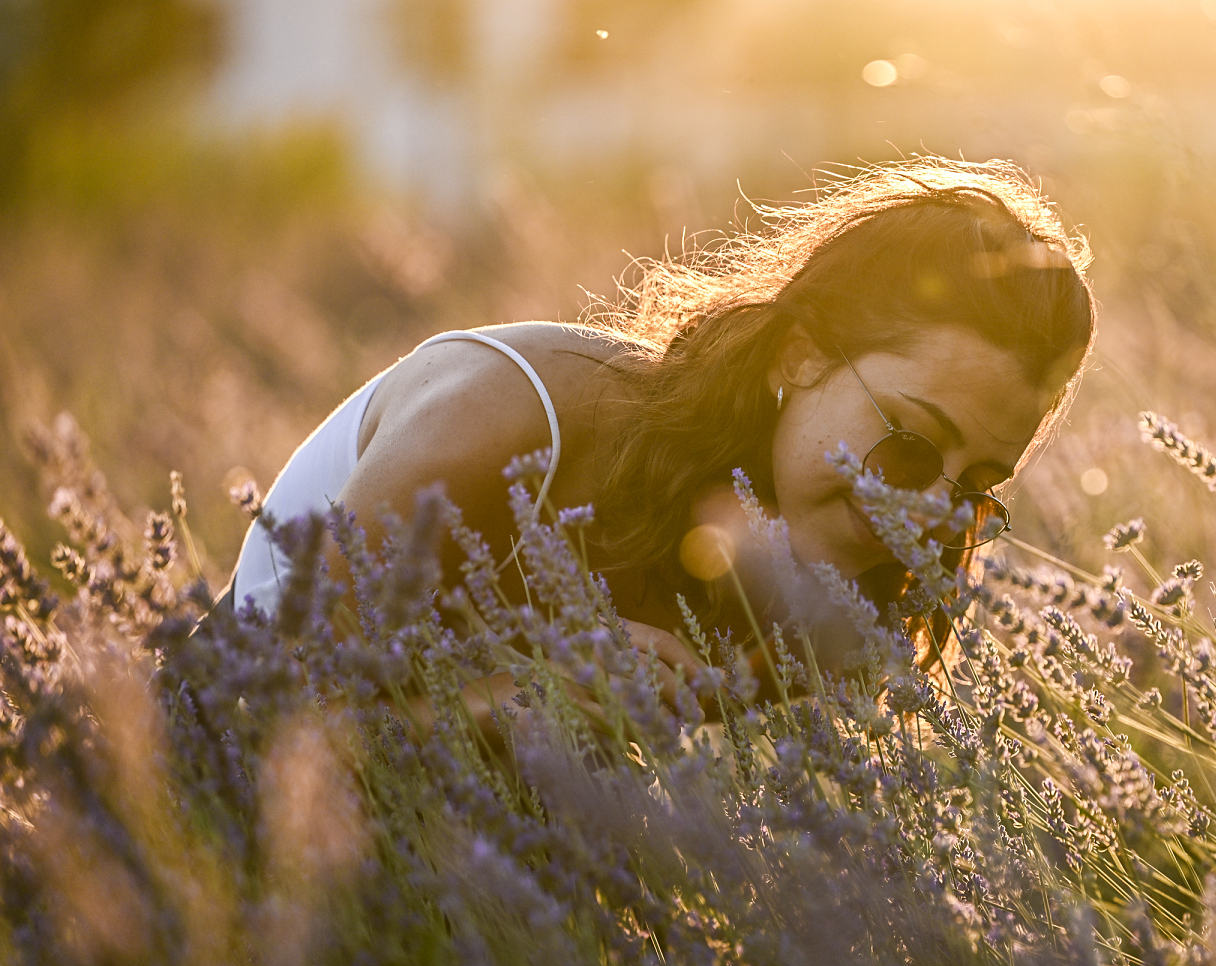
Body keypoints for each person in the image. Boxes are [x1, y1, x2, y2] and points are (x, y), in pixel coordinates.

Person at [226, 155, 1096, 696]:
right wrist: (525, 698)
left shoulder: (829, 601)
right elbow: (237, 706)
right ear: (799, 355)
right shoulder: (512, 417)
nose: (929, 521)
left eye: (978, 488)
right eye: (907, 446)